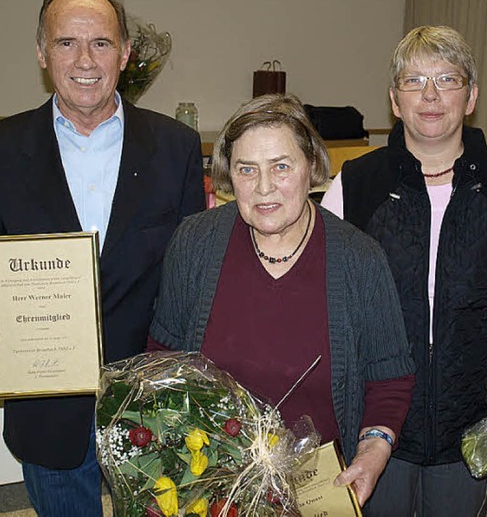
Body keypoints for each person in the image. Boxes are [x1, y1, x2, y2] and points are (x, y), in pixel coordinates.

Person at [321, 25, 487, 516]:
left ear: (470, 97)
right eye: (414, 81)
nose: (430, 95)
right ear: (394, 99)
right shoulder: (356, 185)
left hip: (469, 428)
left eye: (447, 79)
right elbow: (325, 302)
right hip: (375, 427)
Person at [148, 92, 416, 507]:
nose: (264, 187)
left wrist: (374, 449)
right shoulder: (195, 243)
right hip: (217, 485)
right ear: (228, 175)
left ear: (312, 167)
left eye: (281, 166)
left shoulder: (360, 260)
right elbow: (163, 359)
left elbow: (390, 379)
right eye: (247, 170)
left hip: (317, 490)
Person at [0, 0, 205, 516]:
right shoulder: (1, 149)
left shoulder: (176, 148)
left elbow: (193, 279)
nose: (85, 59)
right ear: (42, 54)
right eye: (66, 42)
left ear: (126, 54)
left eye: (102, 43)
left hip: (153, 412)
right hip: (48, 414)